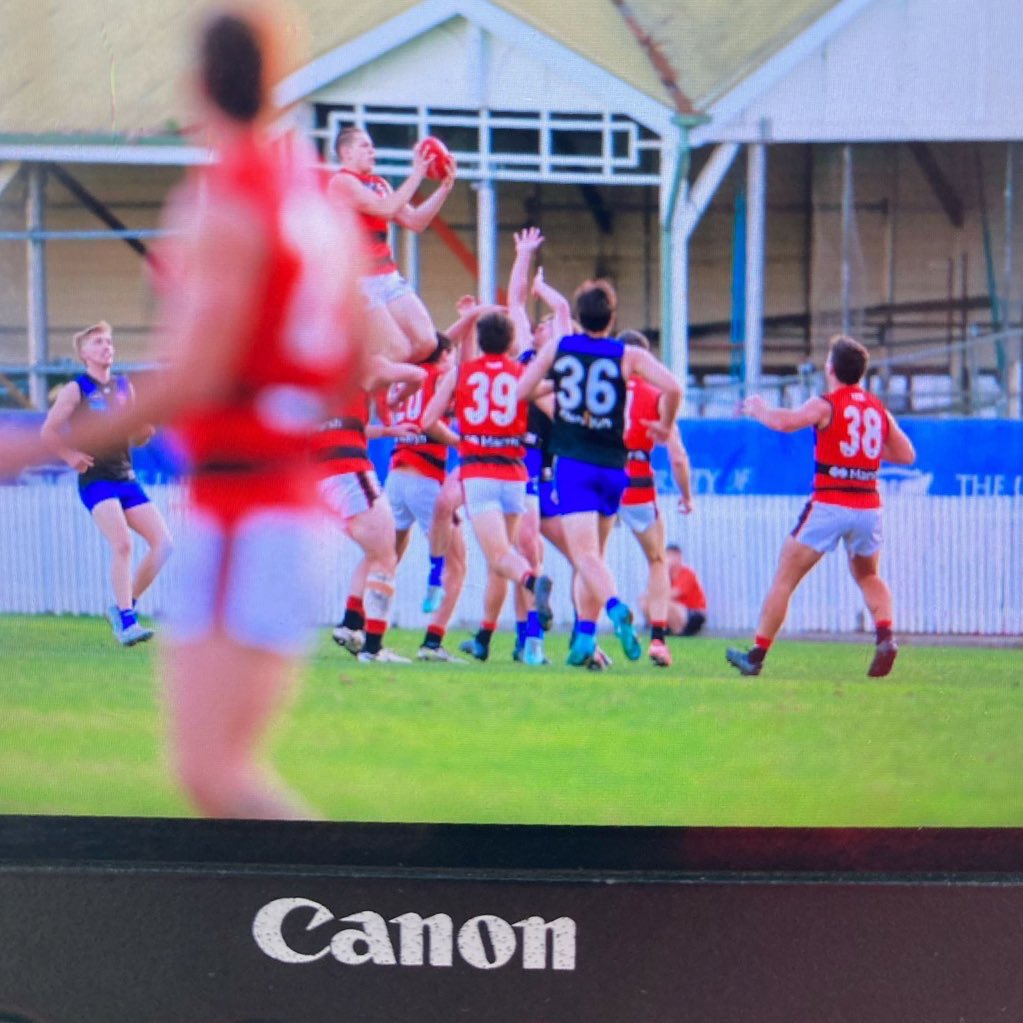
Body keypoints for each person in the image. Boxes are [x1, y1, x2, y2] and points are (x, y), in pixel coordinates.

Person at [0, 6, 372, 817]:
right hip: (278, 493)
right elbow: (354, 349)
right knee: (217, 772)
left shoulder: (221, 199)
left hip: (242, 502)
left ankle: (349, 915)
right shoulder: (315, 205)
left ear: (197, 84)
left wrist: (24, 447)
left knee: (213, 771)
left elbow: (193, 375)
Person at [726, 334, 916, 678]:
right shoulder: (877, 409)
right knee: (868, 575)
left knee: (785, 576)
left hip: (830, 502)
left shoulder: (827, 404)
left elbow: (785, 423)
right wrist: (864, 453)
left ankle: (755, 656)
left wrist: (759, 409)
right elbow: (906, 454)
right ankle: (886, 637)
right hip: (868, 506)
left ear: (831, 368)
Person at [518, 278, 683, 667]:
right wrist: (665, 424)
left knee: (586, 557)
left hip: (574, 463)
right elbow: (674, 387)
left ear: (578, 316)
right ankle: (586, 639)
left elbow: (522, 390)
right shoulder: (628, 356)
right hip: (614, 465)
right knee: (597, 556)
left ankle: (615, 607)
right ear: (611, 318)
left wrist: (553, 389)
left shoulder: (560, 348)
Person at [40, 321, 172, 646]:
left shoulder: (125, 387)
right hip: (96, 479)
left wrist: (142, 432)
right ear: (84, 353)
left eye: (108, 341)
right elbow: (48, 432)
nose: (106, 346)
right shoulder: (77, 389)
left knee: (164, 545)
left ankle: (122, 608)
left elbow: (136, 437)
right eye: (98, 342)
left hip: (125, 476)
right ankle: (128, 623)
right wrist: (69, 454)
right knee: (123, 544)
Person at [454, 310, 554, 666]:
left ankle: (532, 614)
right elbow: (553, 403)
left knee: (511, 558)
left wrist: (467, 323)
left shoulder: (472, 373)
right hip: (517, 474)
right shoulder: (525, 374)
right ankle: (485, 638)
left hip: (493, 472)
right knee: (504, 560)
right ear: (512, 341)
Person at [328, 125, 455, 365]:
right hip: (359, 279)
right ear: (346, 153)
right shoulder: (342, 182)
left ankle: (387, 391)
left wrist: (444, 188)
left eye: (373, 146)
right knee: (397, 350)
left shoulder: (380, 184)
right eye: (365, 146)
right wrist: (417, 173)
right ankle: (359, 384)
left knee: (427, 342)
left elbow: (416, 221)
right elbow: (384, 209)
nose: (372, 151)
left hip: (387, 275)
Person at [617, 329, 694, 668]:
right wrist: (686, 496)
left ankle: (586, 634)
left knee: (589, 558)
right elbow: (677, 457)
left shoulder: (602, 390)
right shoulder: (657, 396)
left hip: (600, 477)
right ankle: (659, 641)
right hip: (637, 483)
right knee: (657, 561)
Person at [654, 543, 707, 637]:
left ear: (678, 557)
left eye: (671, 556)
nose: (668, 559)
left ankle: (679, 631)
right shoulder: (666, 575)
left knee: (664, 603)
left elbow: (673, 594)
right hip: (678, 611)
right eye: (666, 556)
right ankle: (662, 629)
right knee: (645, 601)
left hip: (693, 613)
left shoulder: (687, 574)